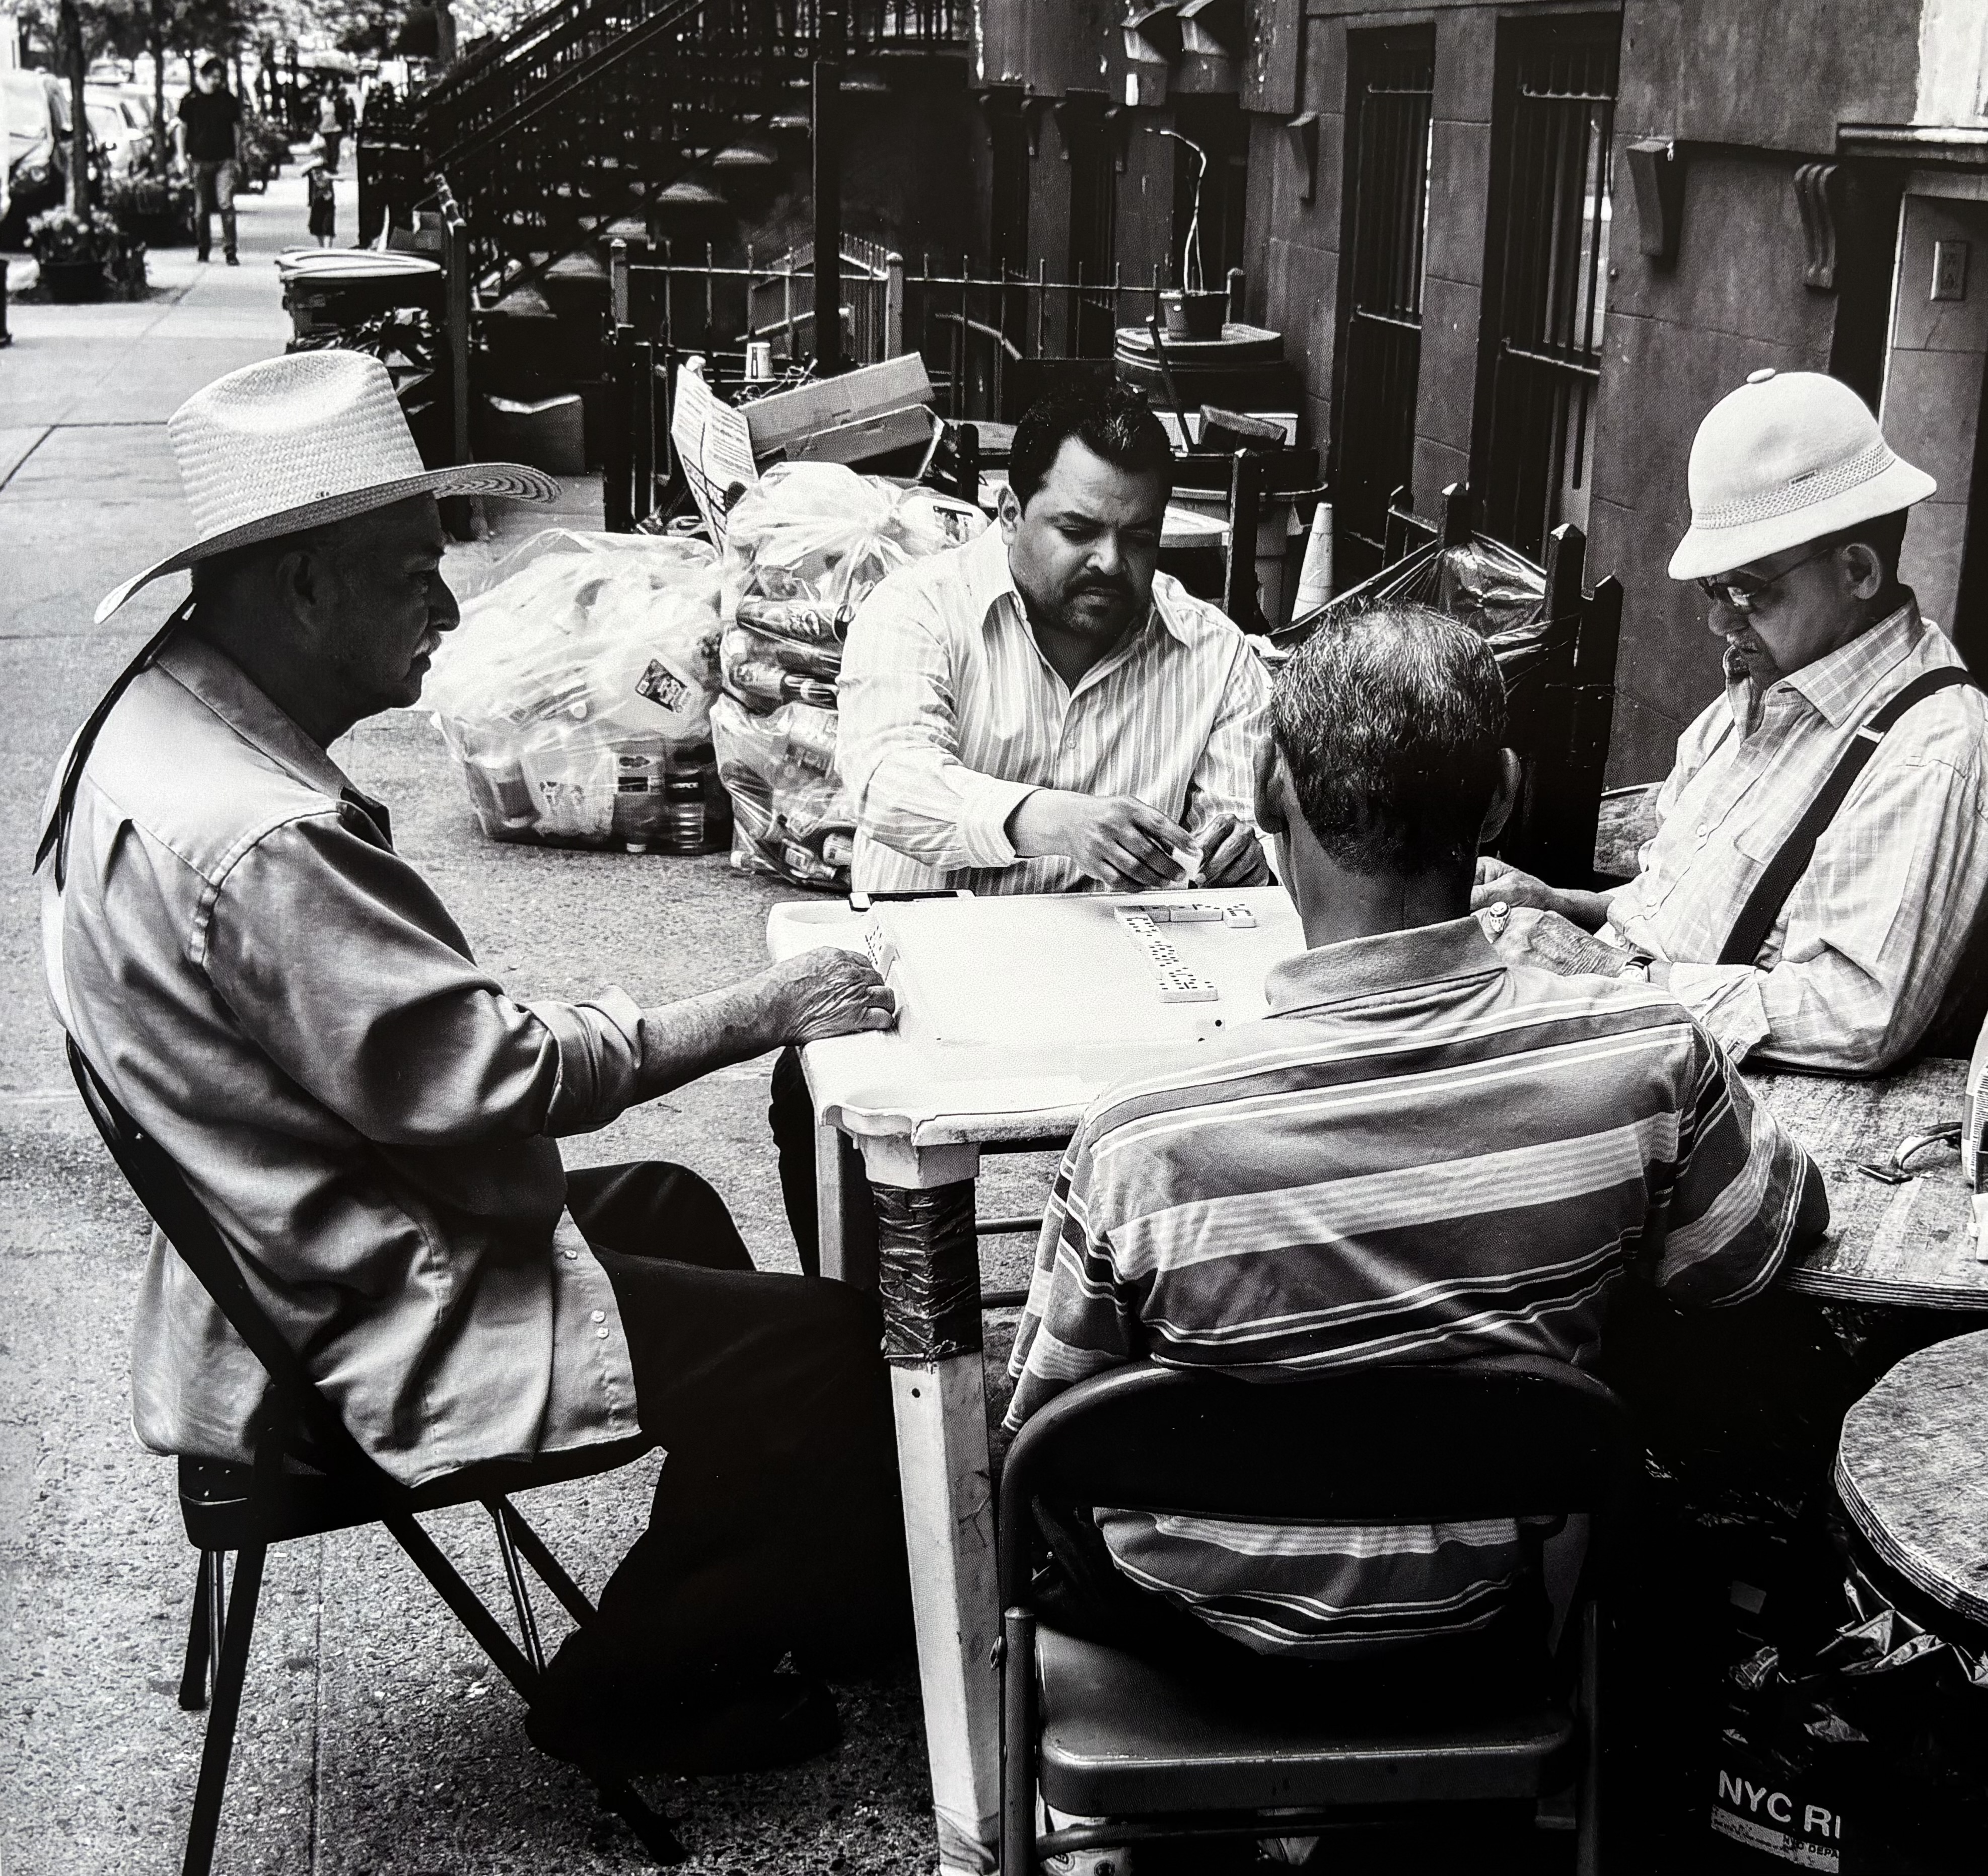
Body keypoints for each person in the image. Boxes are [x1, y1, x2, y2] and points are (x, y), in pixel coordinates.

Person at [38, 351, 908, 1776]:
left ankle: (798, 1571)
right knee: (818, 1352)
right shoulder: (257, 838)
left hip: (286, 1235)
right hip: (331, 1308)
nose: (442, 606)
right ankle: (626, 1687)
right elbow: (491, 1075)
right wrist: (758, 1006)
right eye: (404, 570)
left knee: (677, 1208)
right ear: (302, 589)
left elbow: (408, 1051)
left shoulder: (161, 715)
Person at [1004, 600, 1827, 1686]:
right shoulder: (1649, 1057)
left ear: (1266, 792)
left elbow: (1045, 1435)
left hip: (1188, 1642)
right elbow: (1755, 1245)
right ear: (1499, 798)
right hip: (1484, 1630)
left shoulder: (1141, 1140)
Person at [770, 382, 1275, 1267]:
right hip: (922, 981)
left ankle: (1139, 1333)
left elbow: (1245, 826)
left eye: (1139, 537)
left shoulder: (1217, 656)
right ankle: (869, 1341)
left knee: (1243, 1104)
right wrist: (1048, 821)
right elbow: (888, 781)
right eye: (1078, 531)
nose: (1111, 563)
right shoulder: (918, 611)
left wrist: (1245, 850)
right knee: (812, 1091)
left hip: (1132, 1001)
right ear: (1009, 511)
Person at [1475, 369, 1988, 1073]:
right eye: (1715, 590)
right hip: (1638, 1027)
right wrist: (1566, 906)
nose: (1720, 621)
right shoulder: (1764, 686)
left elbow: (1858, 1012)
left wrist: (1612, 980)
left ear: (1859, 570)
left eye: (1747, 591)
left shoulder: (1931, 748)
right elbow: (1679, 911)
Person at [175, 57, 241, 265]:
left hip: (224, 160)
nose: (216, 81)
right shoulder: (191, 100)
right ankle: (203, 248)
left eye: (219, 78)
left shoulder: (228, 100)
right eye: (213, 77)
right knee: (201, 209)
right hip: (199, 160)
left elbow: (236, 129)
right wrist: (181, 155)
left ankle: (230, 250)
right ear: (203, 76)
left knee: (225, 204)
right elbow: (182, 129)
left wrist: (238, 157)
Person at [303, 136, 335, 247]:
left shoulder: (328, 165)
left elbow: (336, 174)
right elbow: (302, 172)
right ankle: (322, 247)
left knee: (328, 226)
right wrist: (313, 164)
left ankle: (328, 248)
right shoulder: (311, 167)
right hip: (315, 199)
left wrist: (328, 174)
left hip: (327, 198)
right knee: (316, 226)